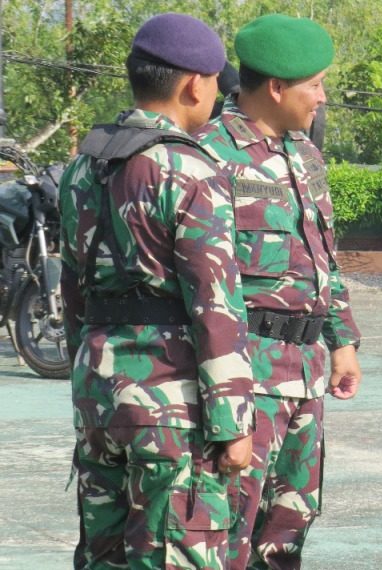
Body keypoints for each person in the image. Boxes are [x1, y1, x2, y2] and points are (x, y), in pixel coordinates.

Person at [59, 13, 254, 569]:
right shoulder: (189, 169)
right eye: (217, 81)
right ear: (195, 83)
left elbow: (75, 289)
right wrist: (233, 421)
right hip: (170, 402)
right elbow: (215, 305)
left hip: (99, 394)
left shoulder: (84, 163)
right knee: (176, 552)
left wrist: (89, 375)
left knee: (104, 554)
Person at [194, 14, 362, 569]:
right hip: (249, 377)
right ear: (276, 87)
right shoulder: (208, 155)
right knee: (228, 527)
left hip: (306, 371)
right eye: (314, 84)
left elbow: (324, 258)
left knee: (289, 529)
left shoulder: (304, 154)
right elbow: (203, 281)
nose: (322, 96)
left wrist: (341, 341)